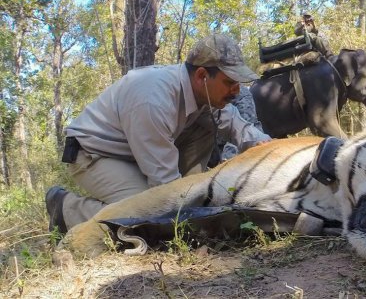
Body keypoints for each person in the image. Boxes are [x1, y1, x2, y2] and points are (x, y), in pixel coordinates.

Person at [45, 34, 271, 235]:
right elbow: (164, 188)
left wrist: (270, 149)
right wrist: (187, 210)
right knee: (151, 215)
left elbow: (238, 126)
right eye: (230, 82)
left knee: (206, 124)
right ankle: (66, 209)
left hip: (137, 154)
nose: (237, 90)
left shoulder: (204, 95)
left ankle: (192, 197)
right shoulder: (153, 99)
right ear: (202, 75)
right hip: (95, 156)